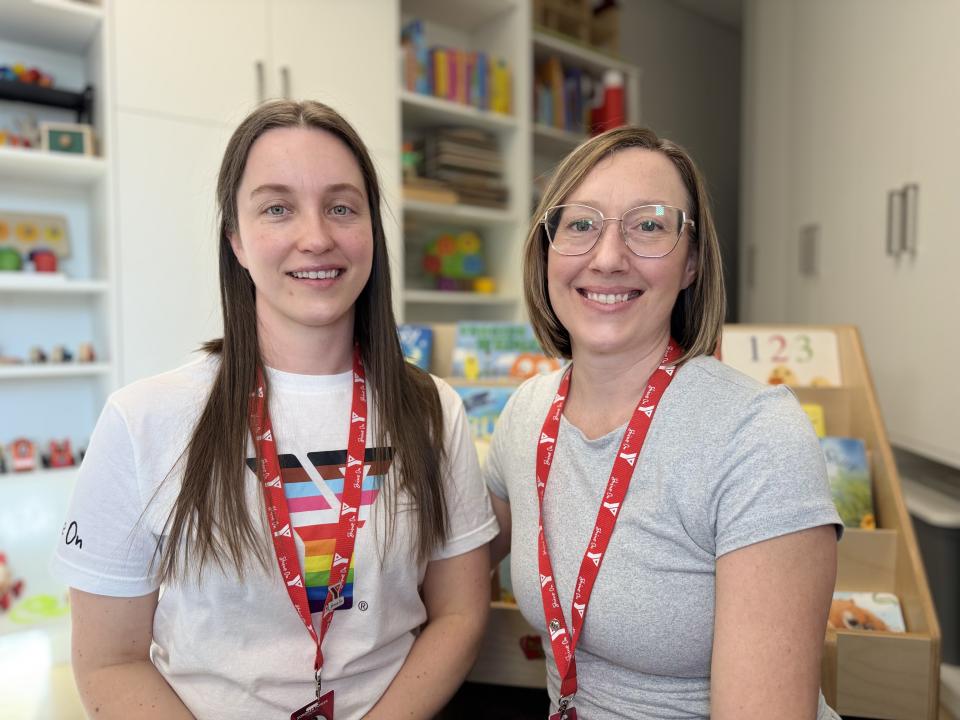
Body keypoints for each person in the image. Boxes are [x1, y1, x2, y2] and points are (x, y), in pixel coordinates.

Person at [51, 100, 497, 720]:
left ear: (372, 230)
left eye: (342, 207)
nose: (316, 237)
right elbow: (108, 660)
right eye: (277, 208)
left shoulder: (431, 409)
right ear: (235, 238)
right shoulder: (142, 420)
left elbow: (460, 612)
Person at [486, 126, 843, 720]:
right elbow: (448, 565)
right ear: (545, 248)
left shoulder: (756, 435)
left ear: (692, 262)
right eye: (580, 223)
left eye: (649, 225)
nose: (607, 256)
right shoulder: (526, 414)